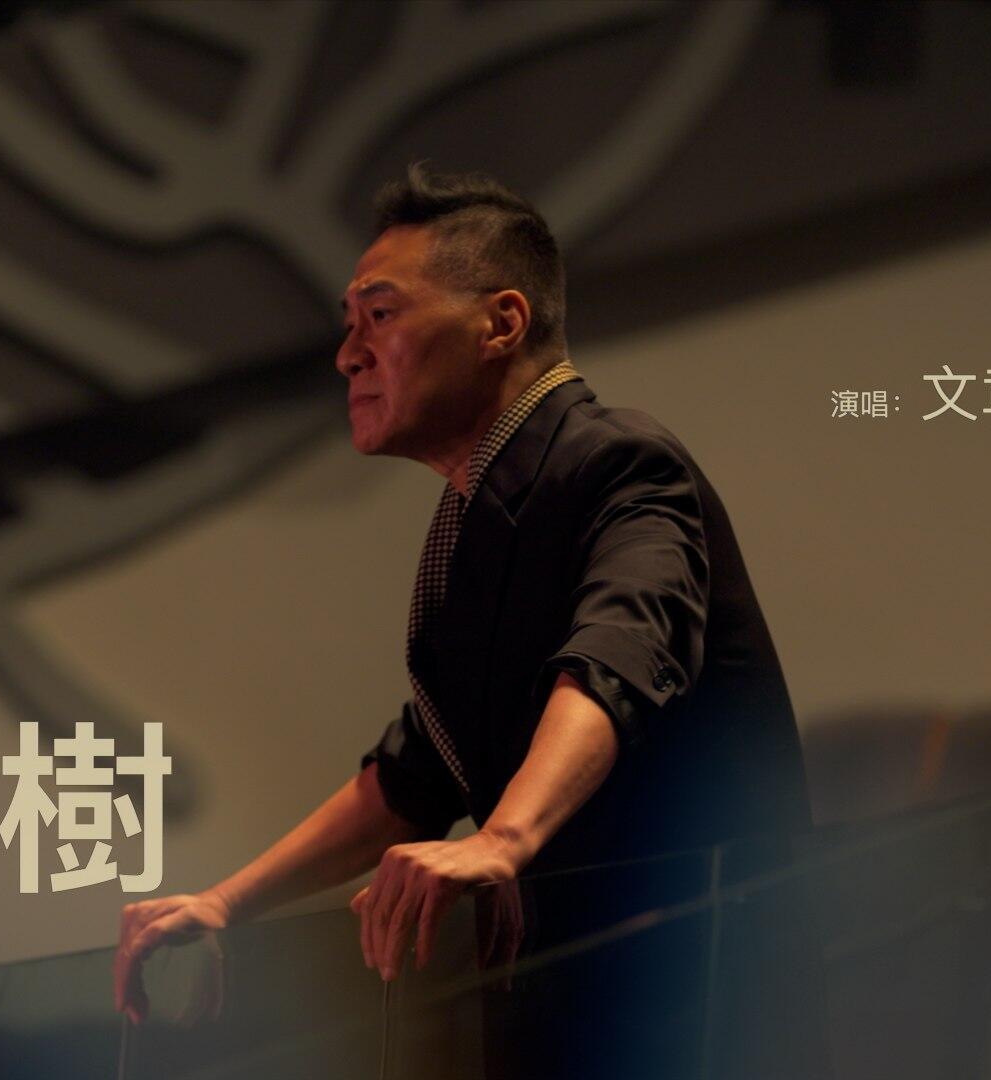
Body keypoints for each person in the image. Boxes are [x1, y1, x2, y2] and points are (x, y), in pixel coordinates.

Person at [113, 164, 818, 1074]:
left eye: (381, 313)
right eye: (349, 323)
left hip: (700, 1007)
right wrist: (224, 902)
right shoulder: (480, 514)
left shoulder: (620, 460)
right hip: (576, 1012)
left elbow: (619, 654)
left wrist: (503, 837)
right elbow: (418, 774)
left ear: (502, 323)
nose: (349, 354)